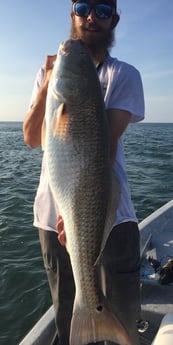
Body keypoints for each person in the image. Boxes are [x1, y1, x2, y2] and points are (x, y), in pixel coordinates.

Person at [23, 1, 145, 345]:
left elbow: (103, 146)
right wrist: (49, 81)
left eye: (104, 9)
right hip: (51, 217)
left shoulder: (123, 74)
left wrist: (77, 212)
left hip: (108, 217)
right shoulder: (48, 76)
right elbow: (32, 138)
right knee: (67, 315)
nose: (92, 16)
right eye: (83, 7)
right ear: (72, 14)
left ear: (114, 20)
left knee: (121, 310)